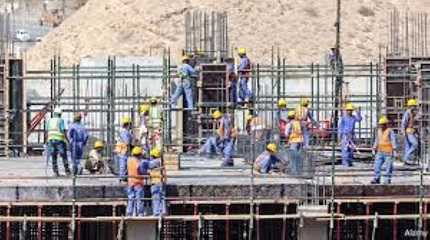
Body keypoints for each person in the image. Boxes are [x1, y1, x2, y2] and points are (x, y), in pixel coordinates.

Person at [371, 116, 397, 184]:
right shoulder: (379, 131)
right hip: (380, 151)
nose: (381, 126)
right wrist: (374, 148)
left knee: (388, 167)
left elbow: (393, 140)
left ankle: (387, 179)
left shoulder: (390, 131)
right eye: (380, 124)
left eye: (382, 124)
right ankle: (377, 178)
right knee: (377, 165)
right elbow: (377, 140)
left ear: (386, 124)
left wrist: (394, 150)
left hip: (388, 152)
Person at [46, 107, 71, 176]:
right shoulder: (60, 120)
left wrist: (47, 141)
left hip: (51, 140)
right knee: (63, 155)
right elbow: (63, 131)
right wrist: (67, 140)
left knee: (54, 156)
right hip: (59, 140)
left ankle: (55, 172)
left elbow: (47, 131)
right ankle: (67, 171)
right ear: (60, 114)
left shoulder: (50, 120)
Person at [126, 146, 146, 216]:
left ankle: (129, 213)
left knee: (131, 198)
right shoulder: (139, 162)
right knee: (139, 199)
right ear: (140, 155)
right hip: (138, 183)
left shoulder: (129, 160)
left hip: (130, 182)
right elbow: (141, 171)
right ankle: (140, 213)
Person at [148, 147, 166, 216]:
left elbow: (147, 166)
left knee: (156, 197)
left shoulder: (154, 162)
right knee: (162, 197)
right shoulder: (161, 161)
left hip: (155, 182)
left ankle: (157, 212)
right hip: (161, 181)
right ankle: (163, 211)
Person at [402, 99, 419, 165]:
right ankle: (406, 158)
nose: (415, 107)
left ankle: (407, 161)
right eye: (413, 106)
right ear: (410, 106)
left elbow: (413, 121)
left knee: (408, 146)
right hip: (408, 131)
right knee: (415, 144)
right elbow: (403, 123)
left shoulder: (413, 113)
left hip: (412, 131)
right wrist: (403, 132)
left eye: (415, 106)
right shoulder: (407, 113)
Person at [115, 116, 133, 180]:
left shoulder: (125, 132)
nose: (131, 125)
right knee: (123, 164)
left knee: (124, 164)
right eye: (130, 124)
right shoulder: (124, 132)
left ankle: (123, 176)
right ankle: (122, 177)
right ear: (127, 124)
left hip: (123, 150)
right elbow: (127, 142)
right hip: (123, 150)